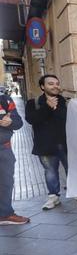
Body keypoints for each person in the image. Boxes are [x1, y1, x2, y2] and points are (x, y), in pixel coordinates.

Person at [25, 75, 69, 211]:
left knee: (72, 169)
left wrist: (56, 108)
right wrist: (48, 108)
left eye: (57, 83)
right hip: (45, 145)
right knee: (50, 171)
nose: (55, 86)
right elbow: (32, 119)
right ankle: (53, 196)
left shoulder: (64, 102)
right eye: (51, 84)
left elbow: (66, 119)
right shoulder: (33, 103)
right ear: (43, 87)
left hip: (64, 143)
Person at [0, 91, 29, 225]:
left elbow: (18, 122)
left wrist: (10, 122)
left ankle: (5, 214)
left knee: (6, 182)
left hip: (4, 148)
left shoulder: (4, 99)